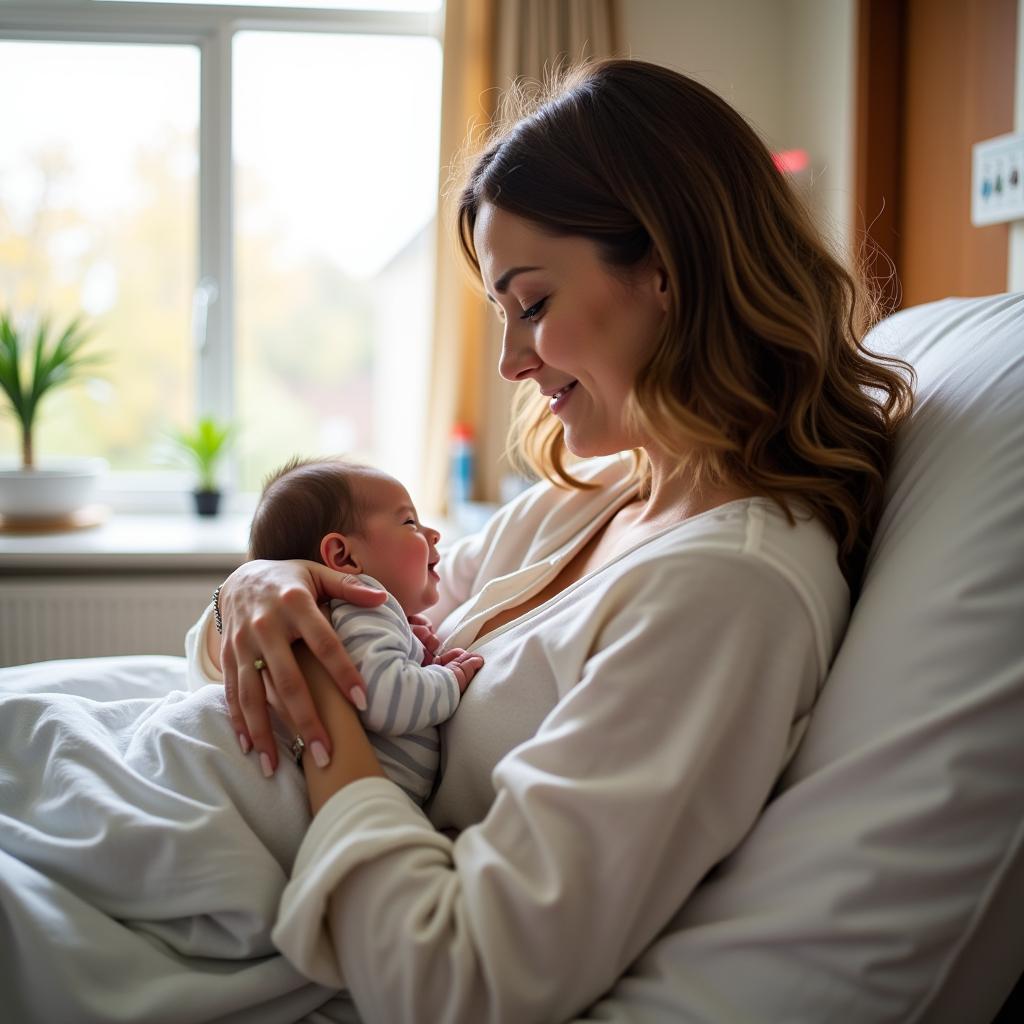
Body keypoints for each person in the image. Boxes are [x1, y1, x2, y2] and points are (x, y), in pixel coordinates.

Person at [187, 58, 914, 1021]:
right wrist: (257, 589)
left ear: (668, 268)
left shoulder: (728, 597)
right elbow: (305, 633)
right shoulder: (590, 498)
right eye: (501, 314)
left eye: (530, 304)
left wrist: (324, 714)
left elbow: (461, 976)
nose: (509, 361)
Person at [240, 454, 483, 798]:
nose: (434, 533)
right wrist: (451, 679)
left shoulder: (361, 617)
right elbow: (387, 701)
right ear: (344, 558)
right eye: (410, 522)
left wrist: (417, 660)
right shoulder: (367, 601)